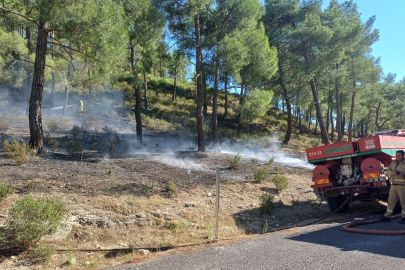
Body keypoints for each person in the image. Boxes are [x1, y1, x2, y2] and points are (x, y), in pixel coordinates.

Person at [382, 150, 405, 223]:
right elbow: (388, 171)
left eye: (399, 155)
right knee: (391, 201)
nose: (397, 157)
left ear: (403, 156)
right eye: (396, 155)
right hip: (394, 185)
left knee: (403, 202)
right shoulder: (393, 162)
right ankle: (387, 216)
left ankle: (404, 218)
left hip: (402, 186)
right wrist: (392, 173)